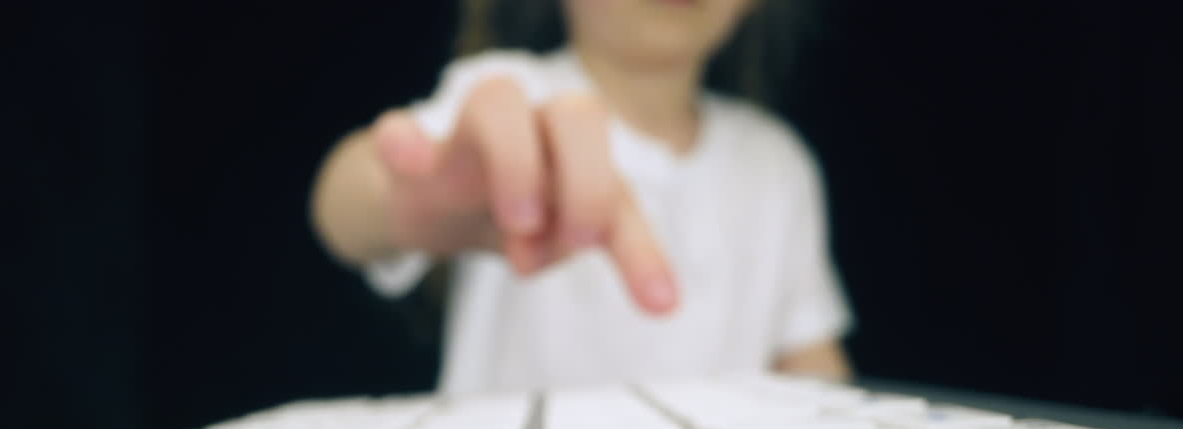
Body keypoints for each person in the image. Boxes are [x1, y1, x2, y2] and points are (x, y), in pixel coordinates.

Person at [310, 0, 852, 393]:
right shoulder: (502, 91)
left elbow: (810, 360)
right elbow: (345, 207)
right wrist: (411, 203)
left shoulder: (778, 161)